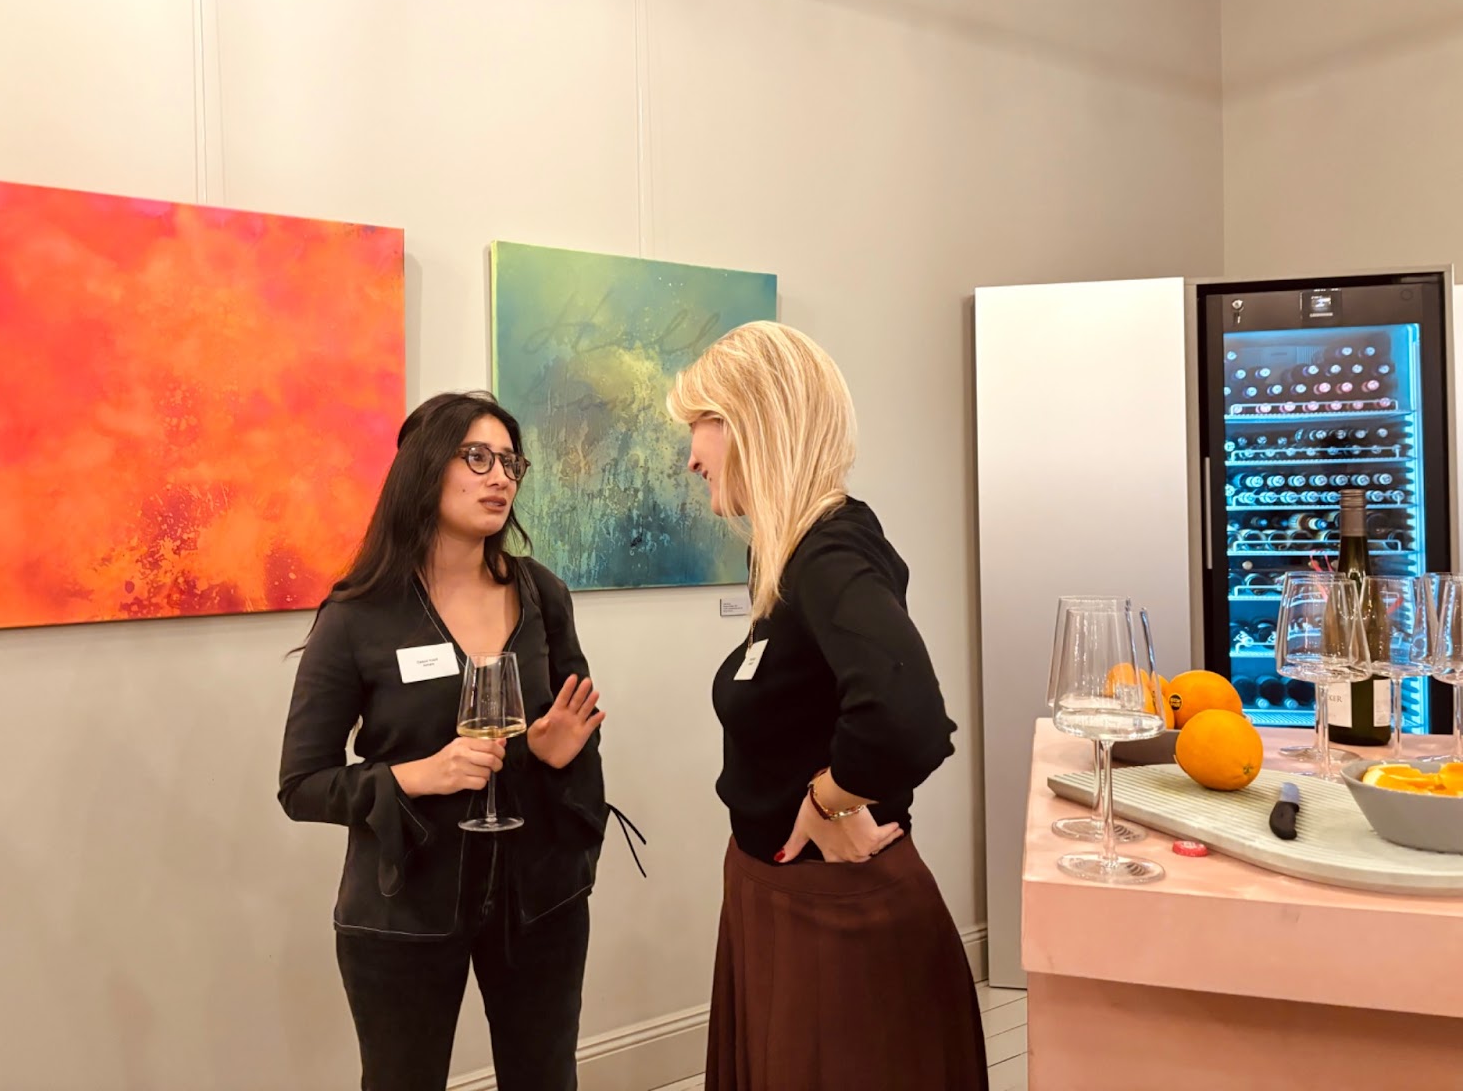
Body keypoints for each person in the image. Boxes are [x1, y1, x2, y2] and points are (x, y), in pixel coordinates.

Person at [667, 321, 989, 1091]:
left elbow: (906, 721)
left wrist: (826, 800)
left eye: (700, 425)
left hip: (834, 914)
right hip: (780, 900)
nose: (692, 457)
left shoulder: (829, 549)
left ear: (752, 421)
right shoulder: (781, 554)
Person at [278, 391, 607, 1091]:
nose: (500, 478)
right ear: (426, 468)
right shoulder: (358, 615)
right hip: (405, 906)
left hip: (539, 902)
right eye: (477, 458)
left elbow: (575, 731)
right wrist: (414, 776)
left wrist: (552, 756)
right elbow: (301, 786)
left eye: (510, 462)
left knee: (546, 1078)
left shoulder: (542, 594)